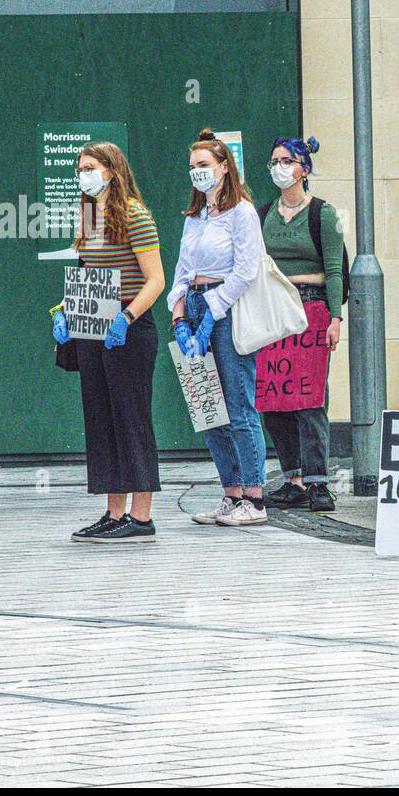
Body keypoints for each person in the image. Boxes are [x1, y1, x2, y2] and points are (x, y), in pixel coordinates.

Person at [52, 142, 165, 543]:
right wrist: (63, 310)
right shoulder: (87, 213)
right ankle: (113, 511)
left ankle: (141, 514)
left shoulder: (134, 214)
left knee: (131, 417)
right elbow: (86, 270)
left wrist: (128, 316)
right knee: (101, 418)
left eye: (90, 167)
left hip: (127, 327)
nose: (83, 175)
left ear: (112, 171)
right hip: (91, 324)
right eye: (80, 168)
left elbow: (155, 279)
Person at [167, 129, 267, 528]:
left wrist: (212, 312)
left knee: (239, 406)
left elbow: (246, 269)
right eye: (193, 167)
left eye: (204, 165)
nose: (198, 173)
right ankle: (231, 492)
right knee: (208, 409)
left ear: (225, 168)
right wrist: (179, 316)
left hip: (226, 308)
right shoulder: (196, 216)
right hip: (192, 306)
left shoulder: (241, 212)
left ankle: (255, 499)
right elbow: (181, 269)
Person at [255, 135, 343, 514]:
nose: (280, 167)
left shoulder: (323, 213)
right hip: (273, 309)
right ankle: (292, 480)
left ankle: (318, 483)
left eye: (287, 160)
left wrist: (336, 317)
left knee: (310, 398)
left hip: (312, 308)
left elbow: (336, 268)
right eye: (275, 160)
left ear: (304, 169)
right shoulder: (264, 214)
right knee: (273, 398)